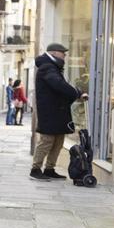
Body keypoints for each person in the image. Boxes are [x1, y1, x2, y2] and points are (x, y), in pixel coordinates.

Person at [32, 42, 85, 180]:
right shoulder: (47, 68)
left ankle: (49, 168)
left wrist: (75, 93)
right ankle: (35, 169)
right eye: (63, 53)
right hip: (49, 112)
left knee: (58, 141)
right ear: (54, 53)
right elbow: (59, 85)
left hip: (57, 111)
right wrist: (77, 93)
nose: (65, 56)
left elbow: (62, 85)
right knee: (47, 140)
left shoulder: (53, 67)